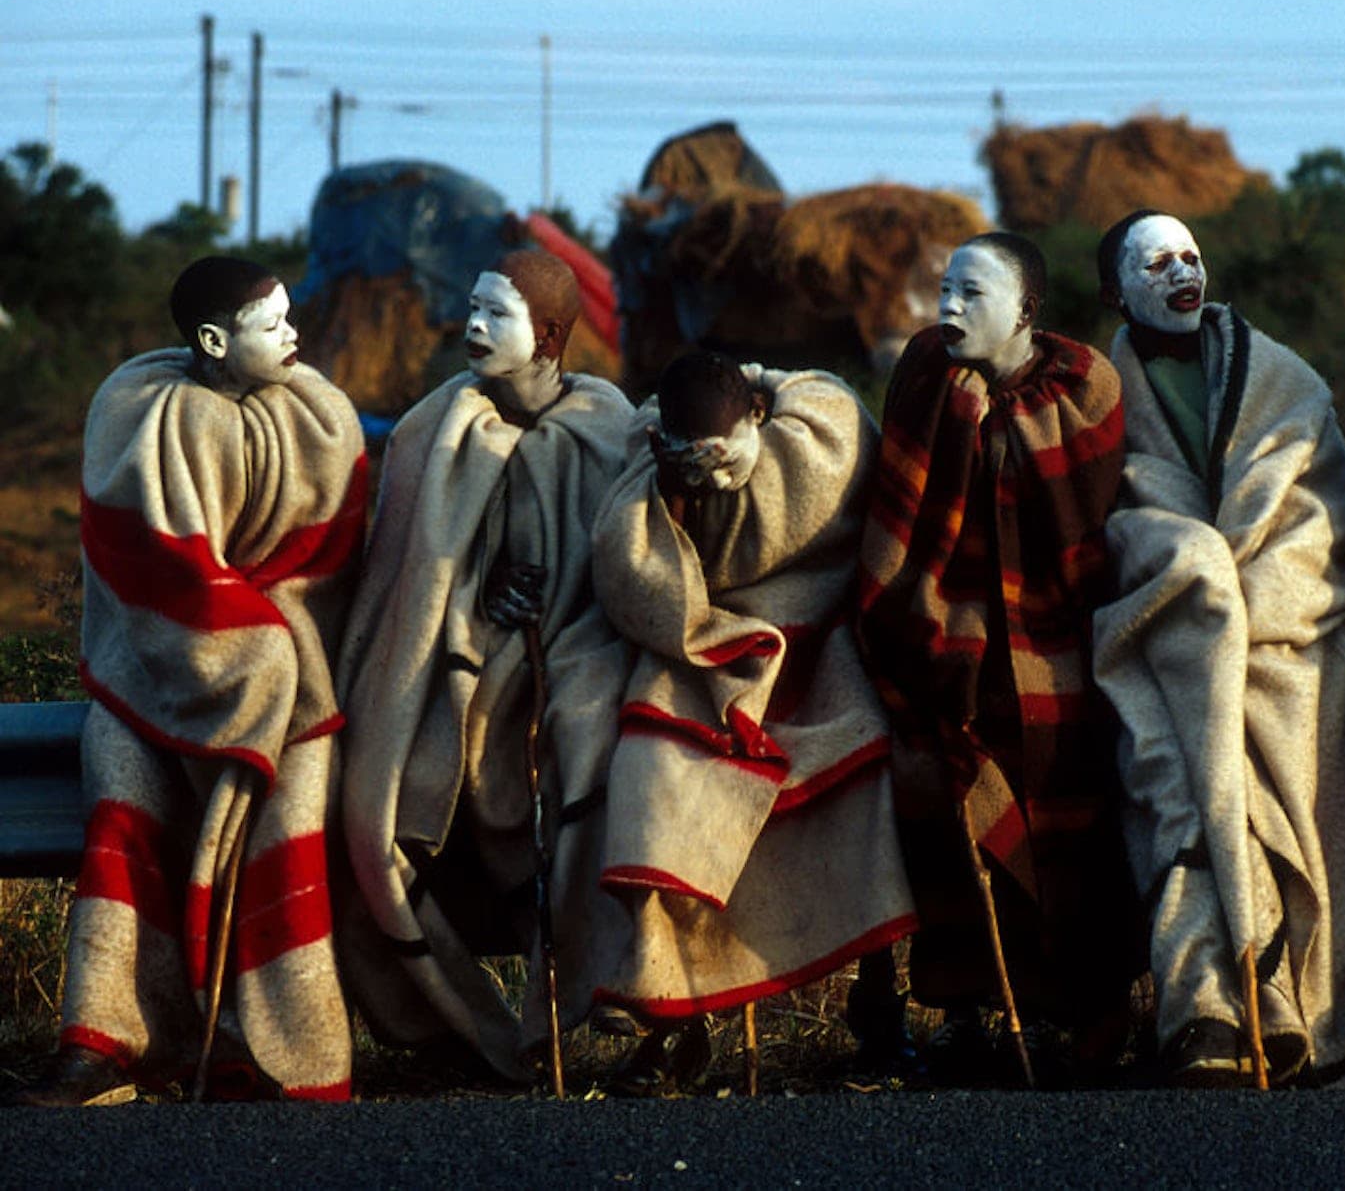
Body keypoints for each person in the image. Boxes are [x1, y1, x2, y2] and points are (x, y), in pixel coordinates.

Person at [14, 257, 367, 1105]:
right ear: (213, 341)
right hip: (152, 671)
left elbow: (328, 566)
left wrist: (269, 654)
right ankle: (105, 1045)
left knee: (288, 819)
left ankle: (282, 1057)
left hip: (293, 686)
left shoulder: (322, 416)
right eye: (271, 325)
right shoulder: (137, 410)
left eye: (291, 318)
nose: (294, 336)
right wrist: (234, 652)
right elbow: (152, 571)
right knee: (123, 806)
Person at [1088, 211, 1345, 1087]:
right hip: (1166, 636)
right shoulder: (1098, 396)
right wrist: (1194, 586)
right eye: (1155, 263)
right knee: (1176, 778)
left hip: (1296, 626)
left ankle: (1312, 1001)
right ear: (1115, 292)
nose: (1179, 273)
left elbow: (1324, 513)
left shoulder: (1278, 375)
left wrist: (1259, 603)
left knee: (1314, 747)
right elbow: (1113, 521)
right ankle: (1208, 1006)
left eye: (1190, 256)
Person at [334, 249, 633, 1083]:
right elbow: (408, 567)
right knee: (374, 808)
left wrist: (555, 597)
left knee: (583, 778)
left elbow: (623, 557)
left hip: (574, 658)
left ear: (547, 336)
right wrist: (475, 585)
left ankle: (600, 1016)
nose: (471, 327)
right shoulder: (436, 427)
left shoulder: (606, 427)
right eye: (471, 307)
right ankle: (455, 1034)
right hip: (447, 663)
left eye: (494, 315)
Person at [583, 349, 916, 1090]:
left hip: (818, 648)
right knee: (657, 782)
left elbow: (827, 407)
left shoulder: (816, 439)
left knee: (864, 779)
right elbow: (650, 593)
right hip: (702, 658)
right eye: (687, 457)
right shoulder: (650, 485)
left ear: (758, 419)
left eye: (721, 453)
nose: (713, 474)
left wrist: (767, 377)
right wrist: (671, 498)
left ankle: (879, 1005)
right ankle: (671, 1011)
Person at [856, 232, 1141, 1079]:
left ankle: (1084, 1010)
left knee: (1070, 793)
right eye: (944, 289)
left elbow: (1087, 530)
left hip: (1063, 627)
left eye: (971, 294)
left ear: (1024, 309)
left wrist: (996, 418)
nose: (948, 308)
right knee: (939, 792)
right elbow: (902, 521)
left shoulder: (1084, 384)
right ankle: (963, 1007)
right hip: (943, 618)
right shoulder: (926, 372)